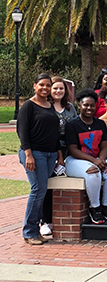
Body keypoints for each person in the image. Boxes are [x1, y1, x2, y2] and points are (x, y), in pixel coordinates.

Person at [16, 74, 61, 245]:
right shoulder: (28, 105)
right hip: (34, 153)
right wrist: (28, 154)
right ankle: (29, 232)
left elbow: (55, 134)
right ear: (35, 85)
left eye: (48, 85)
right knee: (38, 190)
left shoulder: (50, 106)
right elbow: (22, 132)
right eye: (41, 85)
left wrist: (59, 156)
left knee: (41, 191)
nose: (45, 88)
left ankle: (35, 229)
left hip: (50, 154)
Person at [65, 89, 107, 225]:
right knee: (93, 172)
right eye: (86, 105)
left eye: (92, 105)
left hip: (96, 158)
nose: (89, 108)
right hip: (76, 160)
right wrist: (94, 161)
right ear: (79, 106)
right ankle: (95, 208)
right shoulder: (72, 125)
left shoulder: (100, 124)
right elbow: (72, 150)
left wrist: (101, 159)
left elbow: (105, 146)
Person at [40, 76, 78, 237]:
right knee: (46, 186)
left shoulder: (70, 108)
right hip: (49, 151)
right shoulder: (45, 107)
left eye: (61, 88)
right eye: (55, 88)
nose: (58, 91)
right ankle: (44, 221)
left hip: (69, 150)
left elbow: (76, 128)